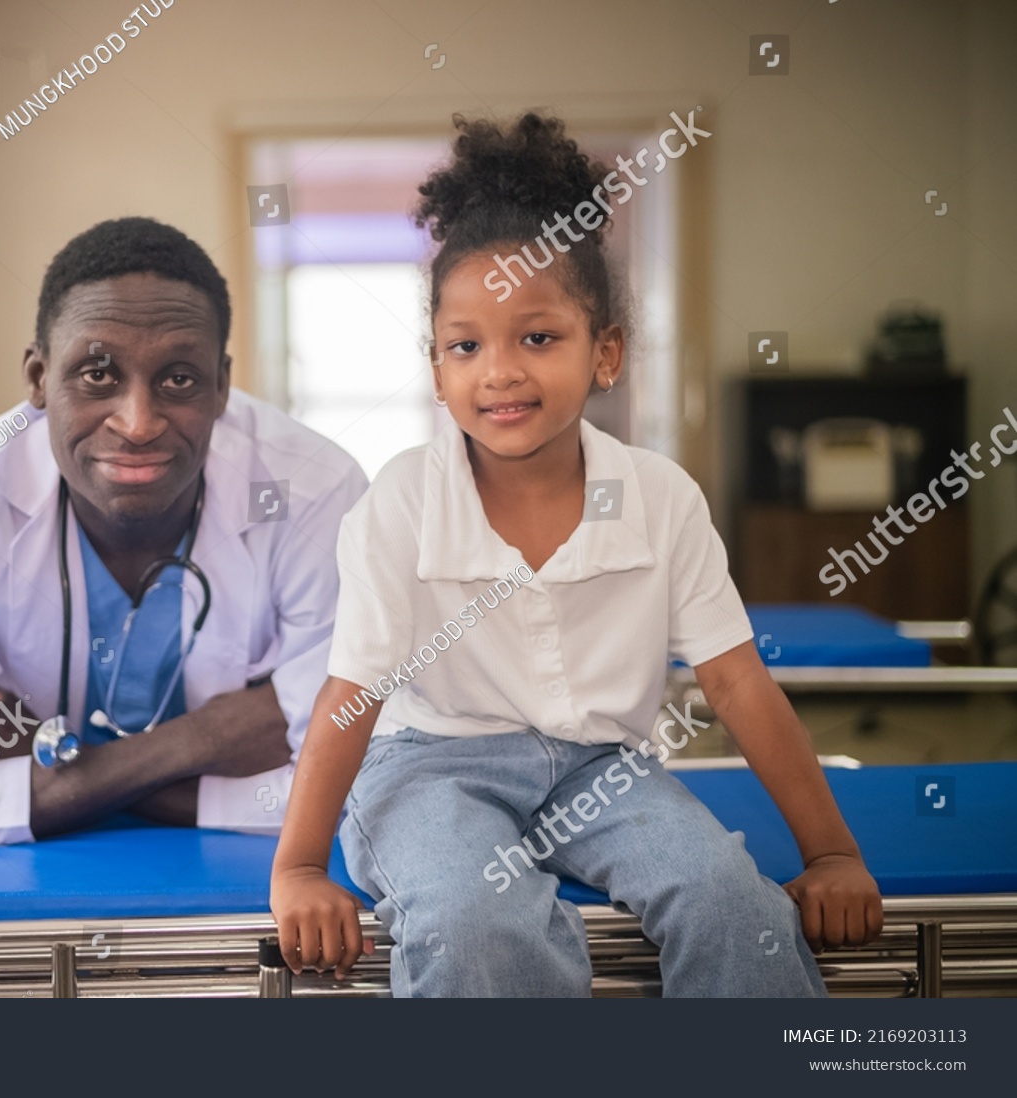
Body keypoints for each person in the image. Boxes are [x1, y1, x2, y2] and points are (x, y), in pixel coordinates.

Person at [268, 114, 883, 996]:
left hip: (601, 771)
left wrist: (829, 853)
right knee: (479, 920)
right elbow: (351, 693)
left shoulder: (661, 494)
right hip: (431, 768)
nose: (500, 371)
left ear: (607, 353)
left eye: (539, 337)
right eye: (465, 345)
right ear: (437, 371)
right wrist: (298, 869)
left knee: (730, 901)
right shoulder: (401, 500)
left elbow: (738, 681)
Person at [0, 217, 367, 852]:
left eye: (179, 378)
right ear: (39, 379)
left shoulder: (313, 490)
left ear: (221, 385)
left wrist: (57, 762)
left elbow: (356, 788)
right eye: (97, 375)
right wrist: (198, 742)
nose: (138, 423)